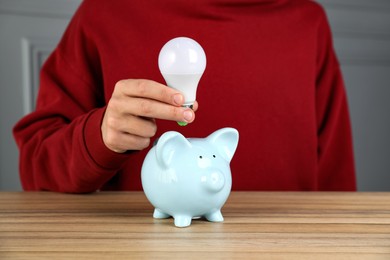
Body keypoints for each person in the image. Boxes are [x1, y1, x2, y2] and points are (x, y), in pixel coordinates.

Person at [13, 0, 356, 193]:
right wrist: (100, 136)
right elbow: (36, 168)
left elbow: (337, 181)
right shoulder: (105, 13)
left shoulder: (307, 22)